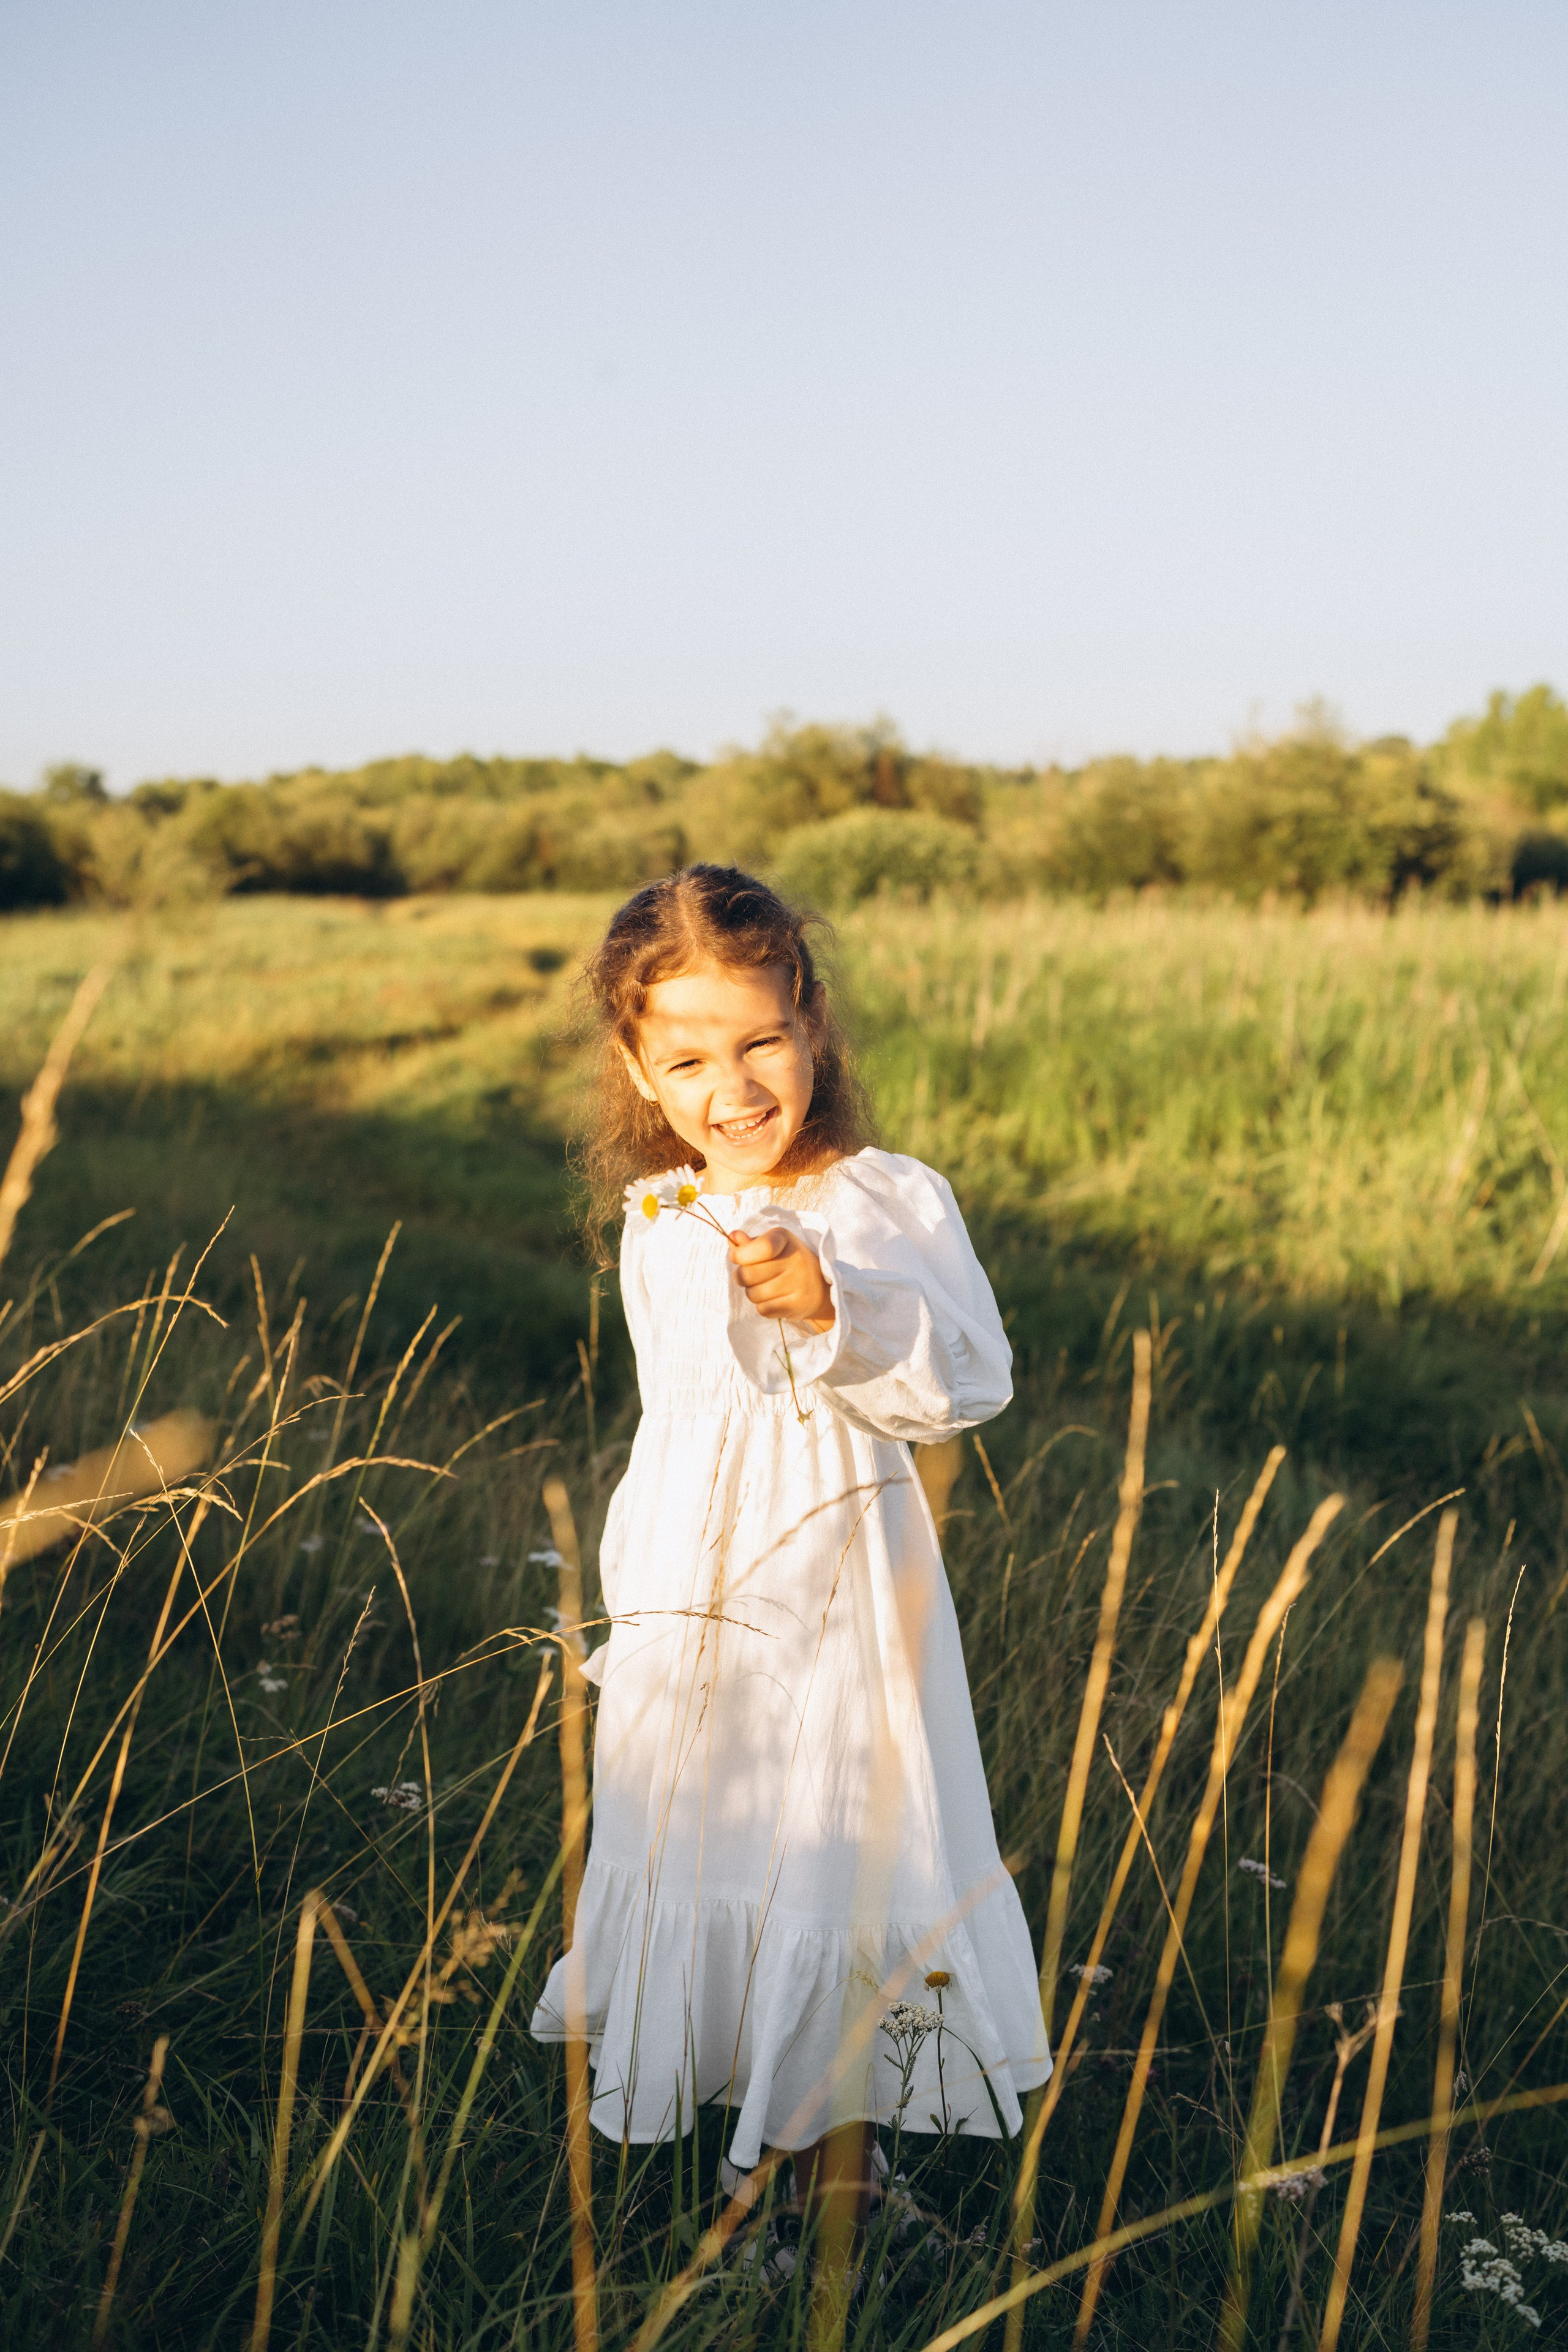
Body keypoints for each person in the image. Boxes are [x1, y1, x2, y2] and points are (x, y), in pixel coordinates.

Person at [530, 864, 1049, 2245]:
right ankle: (760, 2189)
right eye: (687, 1057)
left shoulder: (877, 1200)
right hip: (694, 1615)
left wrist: (834, 1303)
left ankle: (827, 2197)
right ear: (638, 1072)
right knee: (719, 1847)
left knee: (833, 1866)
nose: (734, 1086)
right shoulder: (658, 1219)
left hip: (834, 1605)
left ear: (810, 1023)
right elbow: (679, 1431)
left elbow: (963, 1381)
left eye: (759, 1040)